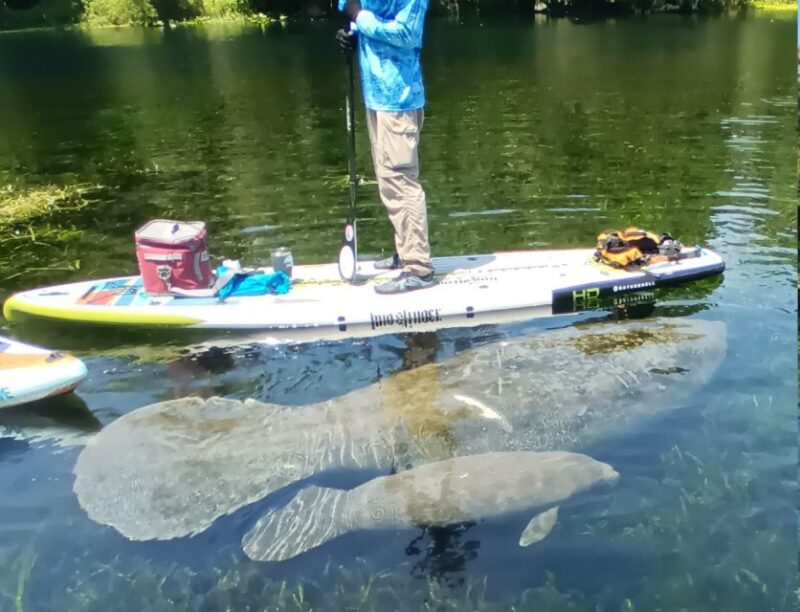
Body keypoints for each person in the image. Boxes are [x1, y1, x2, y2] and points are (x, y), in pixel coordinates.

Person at [336, 0, 435, 294]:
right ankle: (406, 253)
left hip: (399, 98)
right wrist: (350, 33)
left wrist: (359, 17)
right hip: (376, 96)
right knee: (388, 183)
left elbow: (407, 33)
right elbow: (357, 10)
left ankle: (419, 268)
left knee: (402, 182)